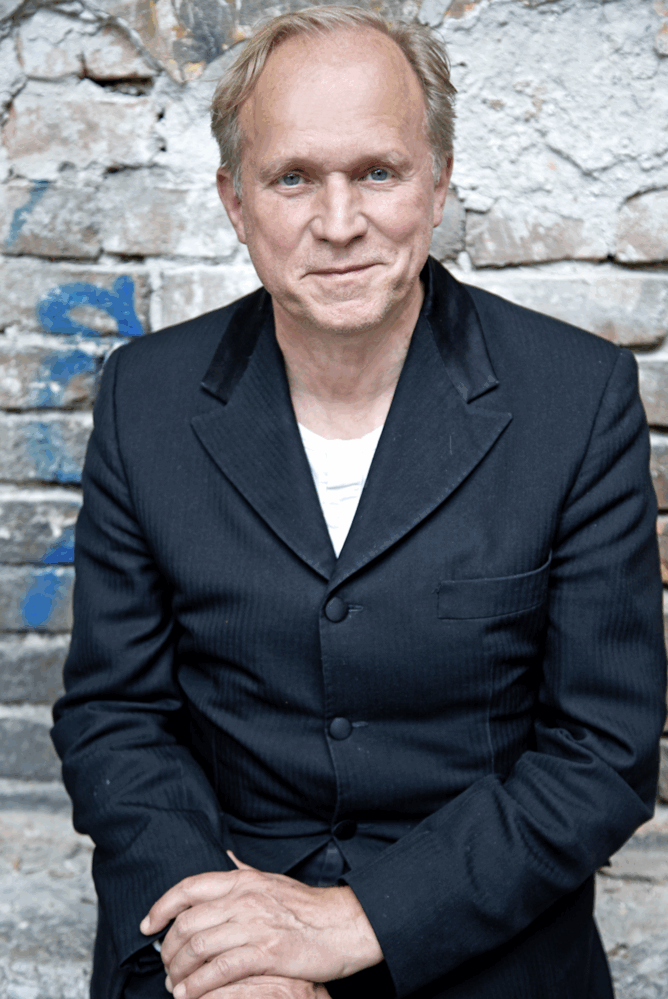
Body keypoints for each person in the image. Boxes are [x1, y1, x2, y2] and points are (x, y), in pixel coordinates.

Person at [51, 6, 667, 999]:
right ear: (234, 200)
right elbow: (115, 717)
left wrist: (357, 920)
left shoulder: (576, 399)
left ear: (437, 183)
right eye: (292, 178)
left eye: (378, 172)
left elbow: (602, 753)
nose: (339, 224)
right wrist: (220, 939)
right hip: (215, 927)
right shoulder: (145, 397)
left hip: (480, 944)